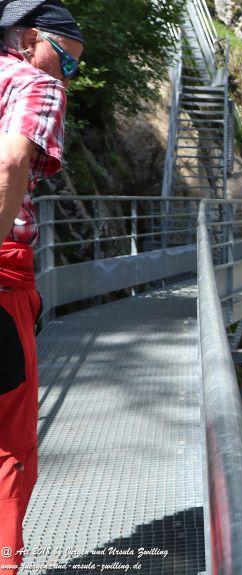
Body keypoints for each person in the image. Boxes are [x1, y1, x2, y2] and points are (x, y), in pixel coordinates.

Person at [0, 1, 82, 571]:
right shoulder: (37, 86)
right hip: (3, 275)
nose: (65, 76)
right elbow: (10, 166)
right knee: (11, 441)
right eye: (66, 61)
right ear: (31, 40)